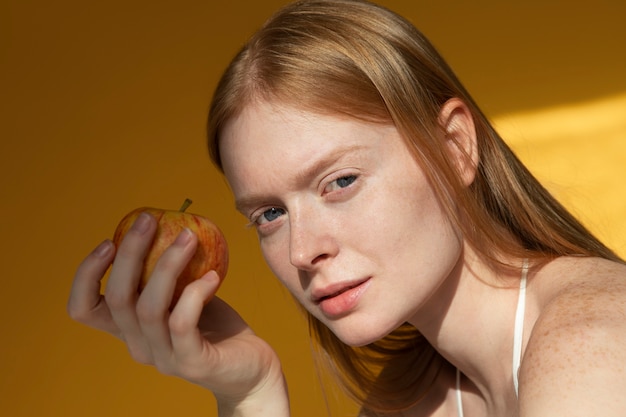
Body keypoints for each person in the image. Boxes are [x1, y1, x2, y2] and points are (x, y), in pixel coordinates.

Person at [68, 0, 626, 416]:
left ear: (456, 147)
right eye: (269, 215)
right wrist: (250, 393)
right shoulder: (414, 399)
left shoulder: (595, 346)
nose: (304, 251)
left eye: (340, 181)